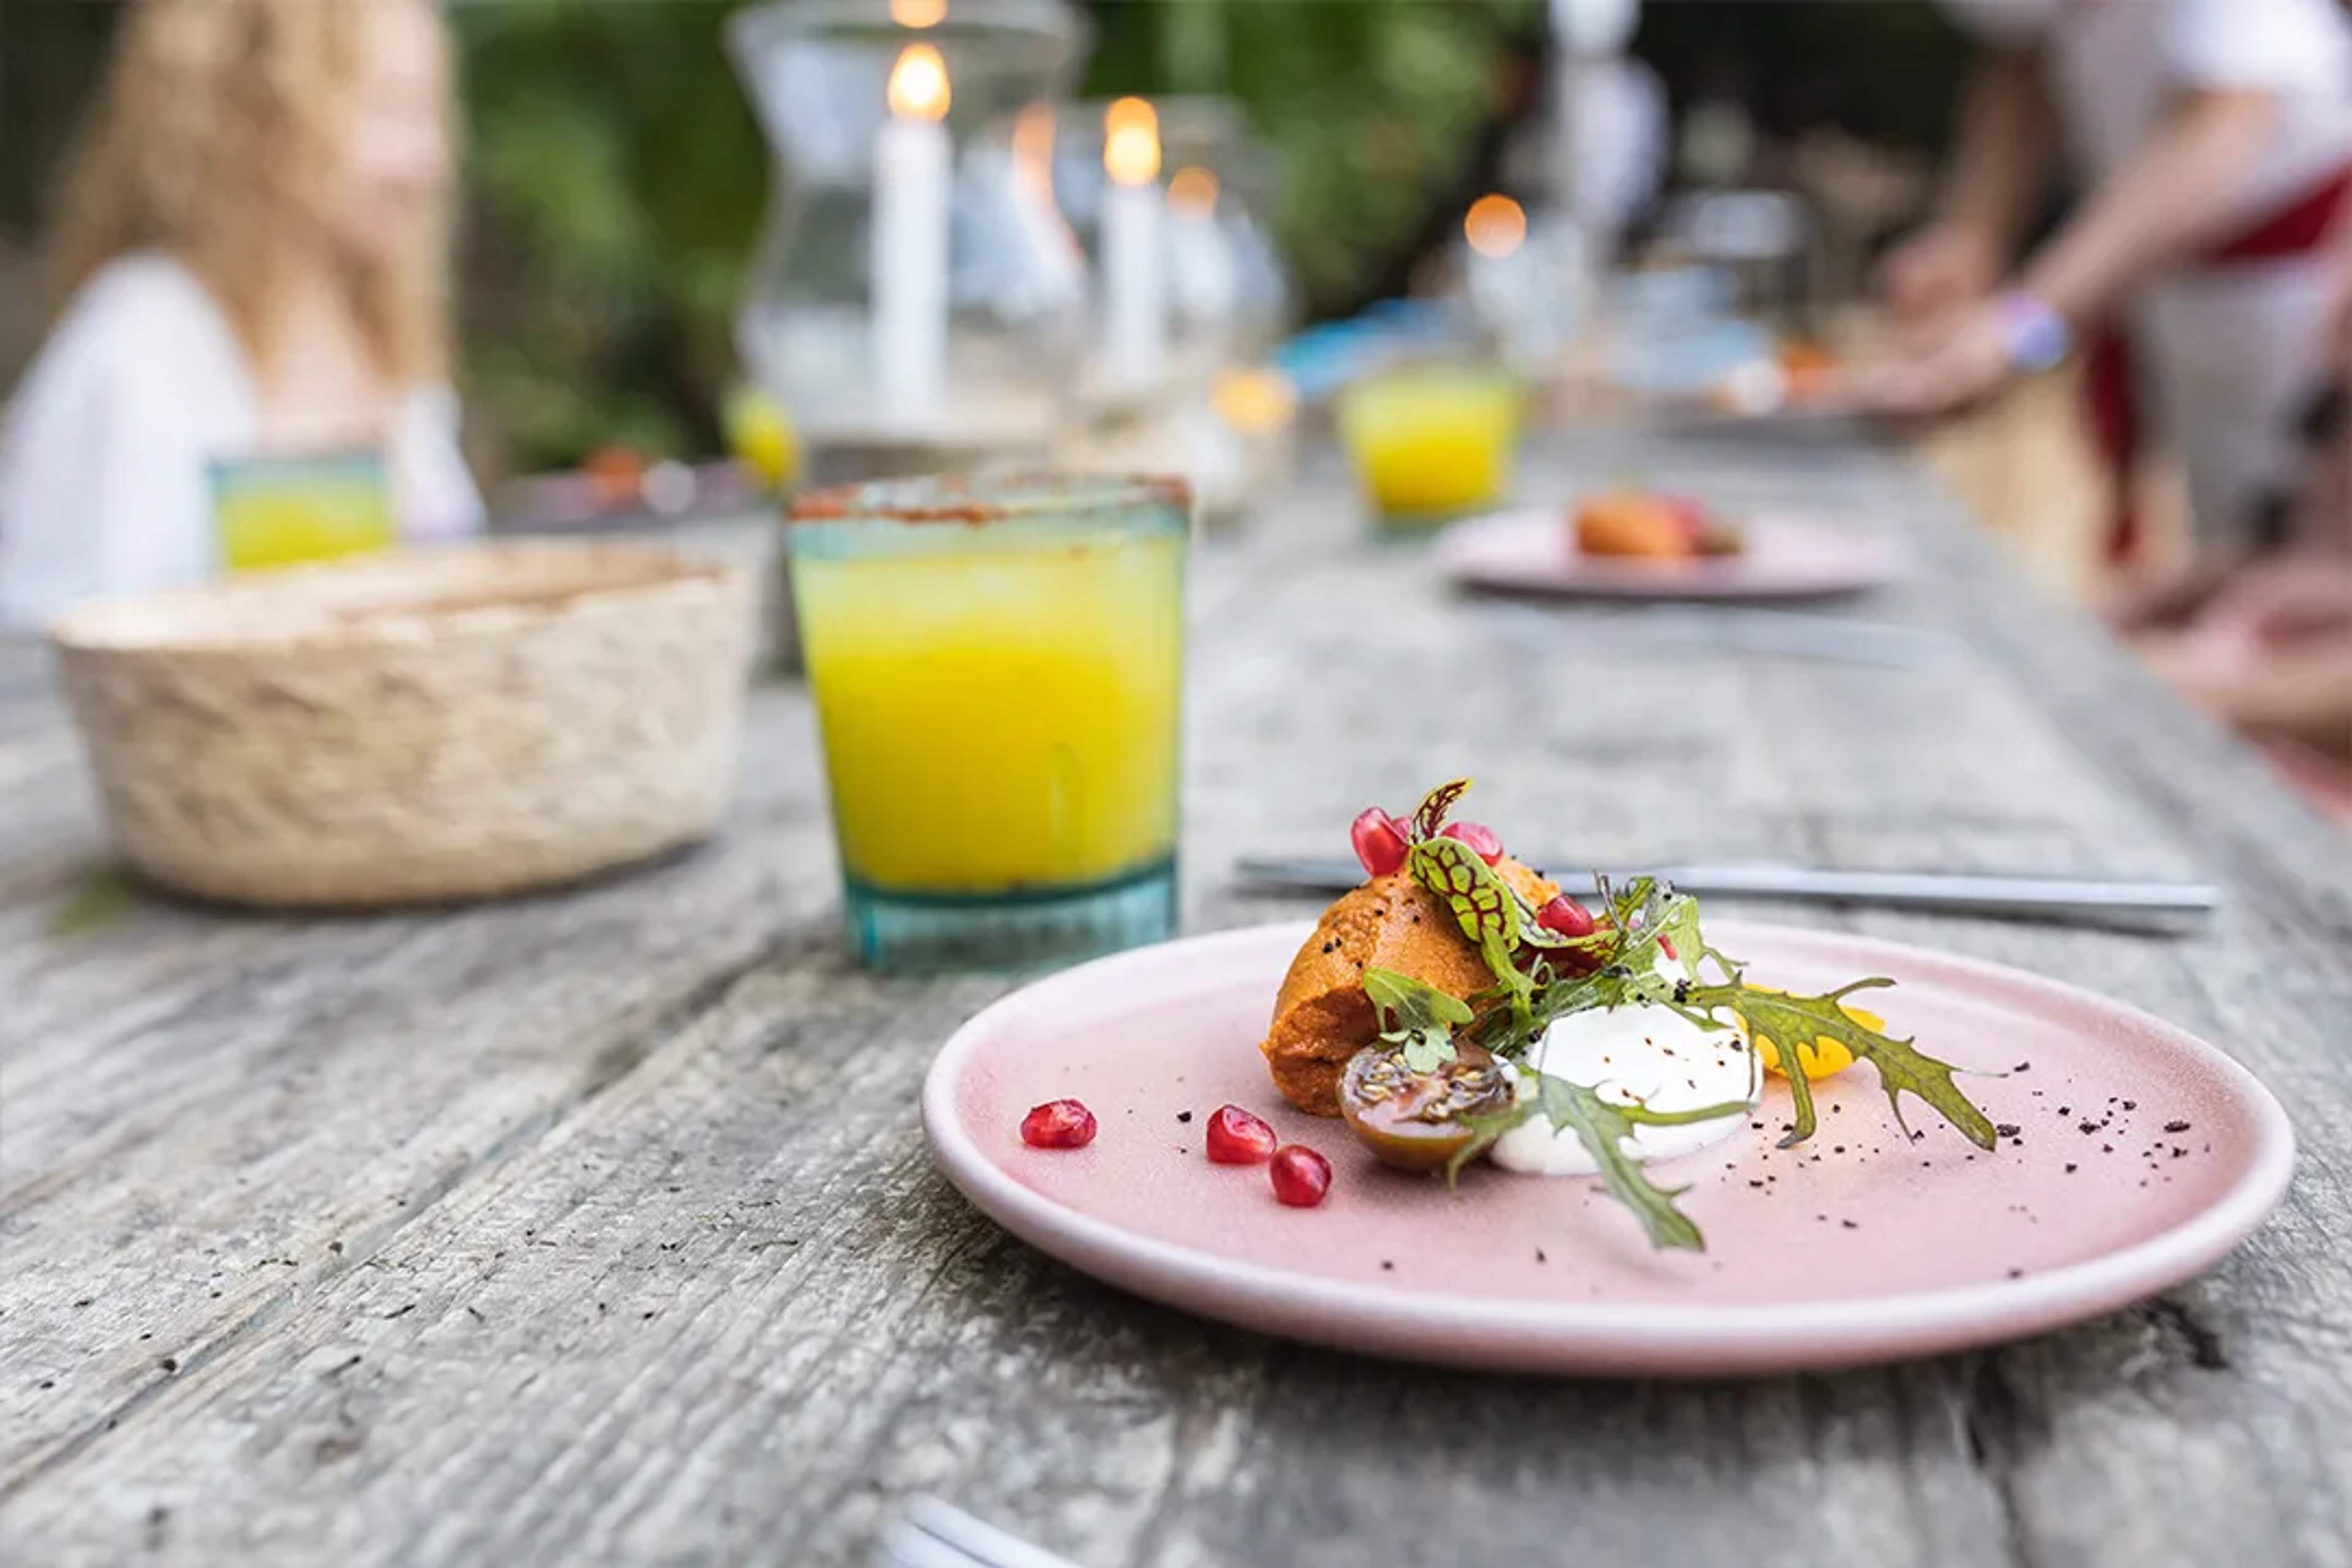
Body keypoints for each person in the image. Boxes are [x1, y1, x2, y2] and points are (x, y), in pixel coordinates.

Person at [0, 0, 481, 628]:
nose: (430, 160)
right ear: (258, 113)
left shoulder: (379, 335)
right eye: (389, 109)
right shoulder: (140, 345)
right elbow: (69, 645)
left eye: (428, 112)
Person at [1864, 0, 2352, 561]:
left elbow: (2219, 133)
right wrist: (1970, 236)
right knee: (2230, 537)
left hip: (2303, 293)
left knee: (2295, 547)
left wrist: (2019, 328)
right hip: (2177, 284)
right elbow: (2023, 60)